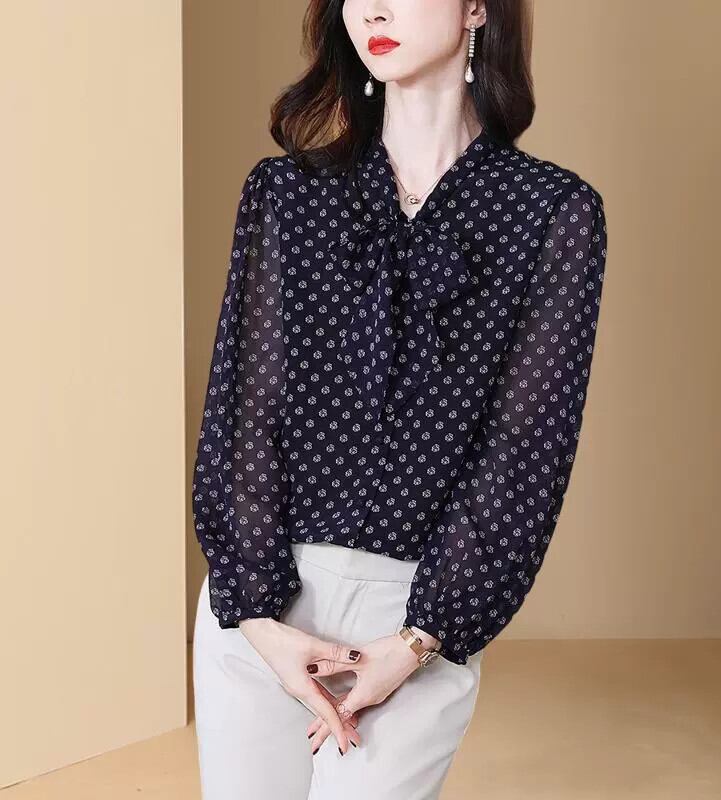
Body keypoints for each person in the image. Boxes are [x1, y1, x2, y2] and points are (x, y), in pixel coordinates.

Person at [190, 0, 609, 797]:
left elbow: (524, 454)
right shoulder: (285, 193)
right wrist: (258, 622)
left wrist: (421, 640)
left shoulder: (552, 212)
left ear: (477, 6)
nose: (374, 9)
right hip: (261, 610)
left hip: (417, 621)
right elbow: (244, 419)